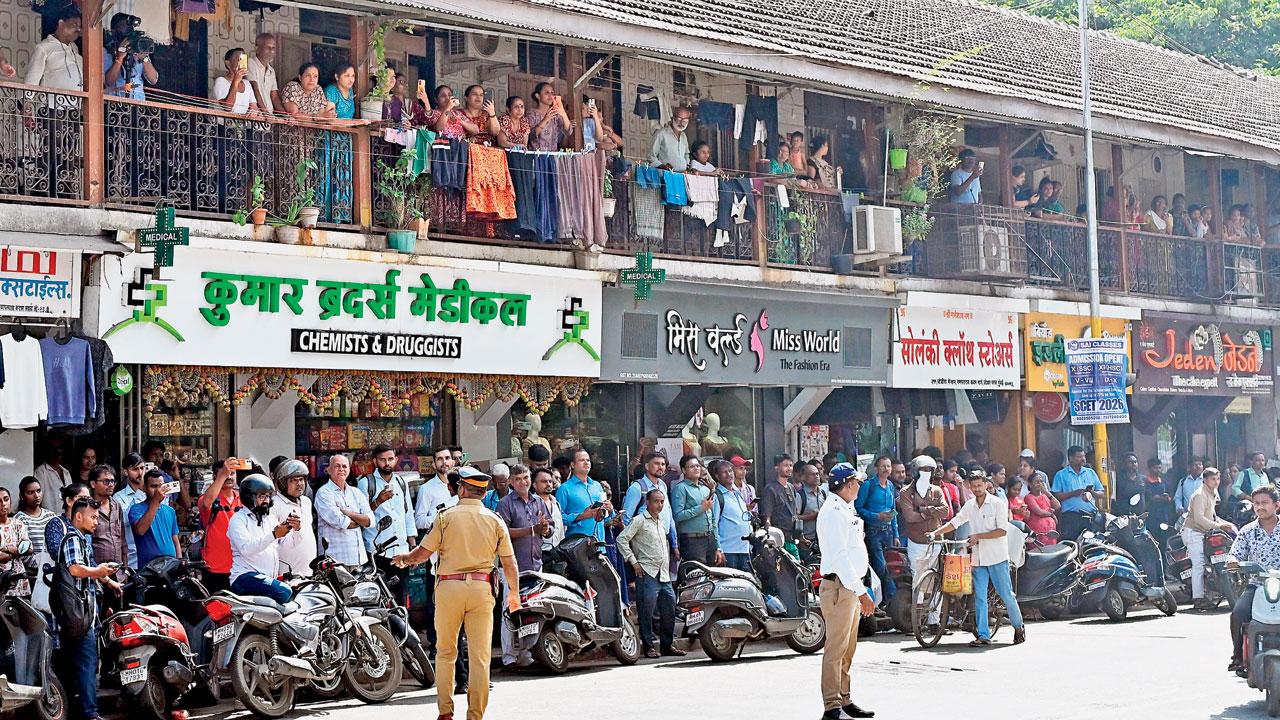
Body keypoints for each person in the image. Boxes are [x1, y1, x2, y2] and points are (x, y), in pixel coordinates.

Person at [393, 466, 520, 720]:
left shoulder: (444, 517)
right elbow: (510, 563)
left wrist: (405, 559)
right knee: (480, 657)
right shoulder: (495, 520)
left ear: (461, 489)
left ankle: (445, 712)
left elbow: (422, 553)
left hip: (449, 588)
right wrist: (514, 595)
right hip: (483, 589)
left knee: (446, 652)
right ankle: (475, 715)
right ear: (482, 494)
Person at [929, 470, 1026, 647]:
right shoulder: (970, 505)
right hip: (978, 559)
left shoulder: (997, 504)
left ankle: (1018, 626)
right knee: (980, 597)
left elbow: (1002, 531)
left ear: (986, 485)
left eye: (979, 485)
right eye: (973, 486)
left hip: (997, 557)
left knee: (1006, 595)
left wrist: (978, 536)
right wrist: (936, 532)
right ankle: (983, 635)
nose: (977, 489)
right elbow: (955, 521)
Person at [816, 463, 876, 720]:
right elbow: (840, 557)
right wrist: (861, 592)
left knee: (848, 648)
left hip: (849, 586)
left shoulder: (845, 507)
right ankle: (832, 706)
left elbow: (853, 551)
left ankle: (844, 699)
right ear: (849, 483)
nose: (860, 486)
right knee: (836, 649)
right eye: (857, 482)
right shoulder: (834, 512)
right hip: (840, 586)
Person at [58, 497, 119, 720]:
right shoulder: (73, 538)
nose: (96, 522)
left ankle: (77, 709)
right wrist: (99, 572)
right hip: (78, 614)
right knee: (87, 663)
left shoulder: (82, 539)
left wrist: (108, 580)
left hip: (82, 613)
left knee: (76, 663)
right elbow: (75, 569)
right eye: (93, 517)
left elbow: (88, 569)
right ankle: (90, 713)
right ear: (78, 516)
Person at [618, 489, 683, 658]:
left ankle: (667, 645)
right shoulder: (639, 520)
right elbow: (622, 539)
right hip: (647, 572)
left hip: (664, 573)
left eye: (662, 502)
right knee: (646, 611)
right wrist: (633, 561)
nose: (659, 505)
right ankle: (648, 646)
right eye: (656, 501)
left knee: (669, 609)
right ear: (647, 502)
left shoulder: (661, 521)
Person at [495, 464, 549, 668]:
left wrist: (545, 529)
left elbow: (548, 528)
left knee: (534, 609)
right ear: (511, 482)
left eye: (526, 478)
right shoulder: (505, 503)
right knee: (510, 611)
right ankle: (509, 657)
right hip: (512, 567)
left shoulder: (537, 501)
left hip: (536, 564)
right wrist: (531, 530)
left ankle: (528, 653)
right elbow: (504, 533)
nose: (523, 482)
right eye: (518, 479)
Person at [1227, 486, 1280, 673]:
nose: (1260, 507)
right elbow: (1235, 554)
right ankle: (1238, 658)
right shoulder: (1247, 531)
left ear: (1276, 505)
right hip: (1257, 584)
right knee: (1238, 613)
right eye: (1256, 503)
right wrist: (1232, 562)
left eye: (1265, 503)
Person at [357, 445, 416, 604]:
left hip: (401, 551)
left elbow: (408, 514)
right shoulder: (365, 483)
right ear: (375, 461)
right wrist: (379, 501)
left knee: (401, 599)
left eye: (390, 459)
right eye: (383, 460)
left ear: (396, 460)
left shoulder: (401, 482)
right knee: (379, 600)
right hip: (378, 552)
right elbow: (361, 517)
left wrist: (413, 546)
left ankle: (400, 629)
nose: (387, 463)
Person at [898, 455, 948, 630]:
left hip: (936, 542)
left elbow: (945, 511)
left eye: (929, 470)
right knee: (918, 581)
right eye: (923, 470)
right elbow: (909, 516)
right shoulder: (905, 493)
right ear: (915, 472)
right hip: (917, 543)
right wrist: (930, 513)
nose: (926, 473)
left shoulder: (937, 491)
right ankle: (917, 620)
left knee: (936, 580)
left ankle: (934, 620)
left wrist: (925, 509)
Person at [227, 475, 294, 603]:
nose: (266, 501)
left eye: (268, 496)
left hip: (264, 577)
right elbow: (246, 549)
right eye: (262, 496)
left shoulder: (269, 519)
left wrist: (294, 529)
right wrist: (274, 535)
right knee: (284, 592)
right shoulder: (238, 519)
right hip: (244, 577)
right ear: (249, 497)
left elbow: (288, 545)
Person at [1184, 468, 1235, 611]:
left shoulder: (1212, 493)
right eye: (1213, 479)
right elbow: (1199, 518)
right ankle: (1198, 598)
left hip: (1205, 532)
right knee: (1199, 565)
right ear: (1205, 480)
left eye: (1218, 479)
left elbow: (1211, 515)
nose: (1216, 482)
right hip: (1193, 532)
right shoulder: (1200, 494)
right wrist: (1219, 526)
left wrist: (1226, 524)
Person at [314, 454, 372, 567]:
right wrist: (360, 520)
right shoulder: (324, 493)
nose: (341, 469)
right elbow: (342, 522)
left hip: (358, 558)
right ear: (328, 470)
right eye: (337, 466)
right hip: (334, 561)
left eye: (344, 466)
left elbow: (370, 521)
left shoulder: (356, 492)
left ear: (349, 470)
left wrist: (348, 513)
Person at [198, 458, 242, 593]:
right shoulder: (208, 499)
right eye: (225, 473)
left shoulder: (243, 498)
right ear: (215, 476)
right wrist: (222, 474)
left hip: (240, 566)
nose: (229, 477)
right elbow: (206, 504)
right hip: (215, 567)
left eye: (232, 473)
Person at [621, 452, 678, 549]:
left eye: (663, 464)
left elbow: (668, 514)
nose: (660, 467)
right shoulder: (637, 487)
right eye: (656, 464)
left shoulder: (662, 485)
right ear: (647, 466)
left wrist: (674, 544)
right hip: (645, 542)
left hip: (664, 540)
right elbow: (626, 518)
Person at [671, 455, 721, 566]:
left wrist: (718, 546)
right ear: (684, 470)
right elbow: (677, 516)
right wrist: (701, 508)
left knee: (712, 577)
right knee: (696, 577)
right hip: (692, 540)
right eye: (692, 466)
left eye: (698, 466)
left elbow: (712, 520)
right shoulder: (681, 488)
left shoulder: (705, 488)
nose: (696, 469)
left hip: (710, 538)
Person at [555, 449, 613, 542]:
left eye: (588, 460)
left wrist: (610, 511)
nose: (586, 462)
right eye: (582, 460)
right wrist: (582, 515)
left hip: (599, 543)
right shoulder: (564, 488)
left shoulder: (597, 486)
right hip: (577, 547)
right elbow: (558, 518)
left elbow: (605, 519)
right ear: (573, 465)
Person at [270, 459, 317, 576]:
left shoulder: (306, 502)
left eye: (301, 479)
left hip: (309, 569)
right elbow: (274, 540)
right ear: (282, 483)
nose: (299, 484)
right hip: (287, 572)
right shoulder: (273, 504)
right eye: (293, 480)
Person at [129, 470, 181, 567]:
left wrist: (180, 563)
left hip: (171, 565)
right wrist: (156, 501)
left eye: (161, 486)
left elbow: (175, 541)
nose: (158, 490)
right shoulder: (136, 509)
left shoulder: (170, 511)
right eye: (153, 486)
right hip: (149, 568)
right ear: (144, 488)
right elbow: (140, 530)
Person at [1052, 445, 1104, 540]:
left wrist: (1092, 493)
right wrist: (1073, 493)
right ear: (1070, 458)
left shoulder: (1090, 472)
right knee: (1071, 545)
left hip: (1090, 516)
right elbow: (1057, 496)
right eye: (1079, 457)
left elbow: (1101, 493)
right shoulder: (1061, 475)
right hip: (1071, 517)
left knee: (1090, 546)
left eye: (1083, 456)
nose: (1083, 459)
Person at [710, 459, 753, 572]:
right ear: (717, 476)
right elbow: (713, 525)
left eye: (730, 471)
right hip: (728, 552)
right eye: (724, 472)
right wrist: (718, 549)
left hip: (745, 550)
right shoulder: (717, 496)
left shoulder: (738, 494)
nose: (729, 474)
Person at [24, 8, 82, 90]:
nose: (78, 29)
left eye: (79, 26)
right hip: (52, 102)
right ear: (61, 24)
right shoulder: (44, 47)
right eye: (74, 25)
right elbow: (32, 79)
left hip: (76, 102)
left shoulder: (75, 48)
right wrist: (28, 101)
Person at [87, 465, 127, 585]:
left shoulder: (116, 505)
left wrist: (125, 570)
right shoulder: (87, 507)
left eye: (112, 481)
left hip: (118, 573)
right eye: (106, 481)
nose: (110, 485)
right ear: (93, 484)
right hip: (97, 573)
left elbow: (122, 539)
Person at [103, 13, 157, 100]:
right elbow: (109, 82)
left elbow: (153, 79)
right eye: (125, 26)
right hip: (116, 105)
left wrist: (145, 58)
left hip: (138, 104)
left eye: (130, 27)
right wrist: (119, 58)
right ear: (114, 31)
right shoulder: (107, 51)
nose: (129, 30)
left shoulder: (138, 47)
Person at [113, 453, 149, 567]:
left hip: (152, 554)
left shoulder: (153, 494)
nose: (140, 473)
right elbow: (126, 519)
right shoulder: (118, 497)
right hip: (132, 556)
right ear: (125, 472)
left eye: (142, 468)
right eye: (135, 469)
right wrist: (140, 491)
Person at [760, 453, 799, 542]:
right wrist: (769, 536)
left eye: (790, 465)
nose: (789, 468)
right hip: (778, 538)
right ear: (777, 468)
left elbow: (794, 512)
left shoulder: (791, 487)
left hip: (792, 538)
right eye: (785, 465)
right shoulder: (770, 489)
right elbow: (767, 516)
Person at [14, 477, 56, 558]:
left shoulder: (51, 516)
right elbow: (20, 551)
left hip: (53, 568)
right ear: (22, 496)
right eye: (30, 492)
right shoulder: (19, 519)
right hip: (30, 570)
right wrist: (40, 564)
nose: (36, 495)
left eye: (38, 491)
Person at [0, 488, 30, 598]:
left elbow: (29, 548)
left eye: (6, 499)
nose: (3, 504)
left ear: (11, 501)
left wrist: (6, 548)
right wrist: (17, 550)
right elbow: (3, 557)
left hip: (18, 578)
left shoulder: (18, 524)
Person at [797, 462, 830, 558]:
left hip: (822, 541)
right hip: (806, 542)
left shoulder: (823, 494)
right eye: (812, 474)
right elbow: (793, 517)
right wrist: (809, 517)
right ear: (803, 477)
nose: (816, 476)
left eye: (817, 474)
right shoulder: (800, 496)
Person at [526, 82, 571, 151]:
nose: (550, 96)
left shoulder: (556, 114)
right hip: (536, 156)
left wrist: (563, 113)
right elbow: (530, 136)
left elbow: (568, 131)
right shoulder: (531, 113)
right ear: (538, 96)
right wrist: (545, 119)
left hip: (552, 156)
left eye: (552, 93)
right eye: (547, 93)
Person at [212, 49, 258, 115]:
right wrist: (236, 81)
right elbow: (227, 107)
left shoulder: (247, 83)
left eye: (244, 60)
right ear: (228, 64)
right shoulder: (221, 81)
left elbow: (254, 106)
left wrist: (253, 112)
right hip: (224, 124)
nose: (242, 63)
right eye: (239, 59)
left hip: (242, 124)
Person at [648, 105, 691, 171]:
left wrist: (687, 165)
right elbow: (651, 157)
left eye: (685, 121)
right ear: (673, 118)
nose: (681, 123)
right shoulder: (661, 133)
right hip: (665, 174)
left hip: (681, 175)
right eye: (679, 119)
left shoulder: (684, 136)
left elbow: (686, 154)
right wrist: (663, 166)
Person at [247, 32, 281, 115]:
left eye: (273, 48)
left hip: (268, 117)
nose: (271, 51)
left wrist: (286, 115)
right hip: (255, 116)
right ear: (257, 49)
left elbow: (275, 97)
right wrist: (265, 112)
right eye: (267, 47)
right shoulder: (250, 62)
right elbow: (254, 88)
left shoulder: (271, 70)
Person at [533, 467, 565, 551]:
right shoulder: (530, 504)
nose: (548, 484)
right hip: (538, 553)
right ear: (534, 485)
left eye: (550, 481)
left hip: (557, 552)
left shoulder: (555, 503)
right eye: (544, 481)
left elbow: (561, 529)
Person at [1024, 473, 1060, 544]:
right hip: (1038, 533)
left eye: (1041, 481)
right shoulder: (1029, 497)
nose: (1040, 484)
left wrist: (1047, 493)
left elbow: (1058, 506)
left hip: (1050, 533)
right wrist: (1051, 515)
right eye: (1037, 482)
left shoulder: (1045, 496)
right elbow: (1039, 512)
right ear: (1030, 485)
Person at [35, 444, 71, 512]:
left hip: (66, 516)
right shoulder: (41, 471)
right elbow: (37, 497)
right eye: (54, 448)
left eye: (60, 448)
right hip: (48, 517)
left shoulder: (66, 473)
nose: (58, 451)